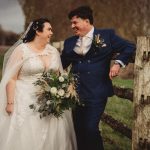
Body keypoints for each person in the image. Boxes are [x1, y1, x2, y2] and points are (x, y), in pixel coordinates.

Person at [61, 6, 136, 150]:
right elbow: (61, 63)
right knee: (79, 130)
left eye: (75, 22)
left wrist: (118, 64)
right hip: (75, 93)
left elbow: (129, 47)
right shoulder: (69, 42)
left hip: (97, 92)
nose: (72, 26)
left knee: (90, 129)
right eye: (71, 23)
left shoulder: (107, 35)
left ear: (87, 21)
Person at [0, 18, 77, 150]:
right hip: (24, 101)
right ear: (37, 31)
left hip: (51, 102)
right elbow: (11, 79)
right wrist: (10, 103)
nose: (52, 32)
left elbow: (60, 76)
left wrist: (62, 91)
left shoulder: (53, 51)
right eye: (49, 29)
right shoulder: (21, 50)